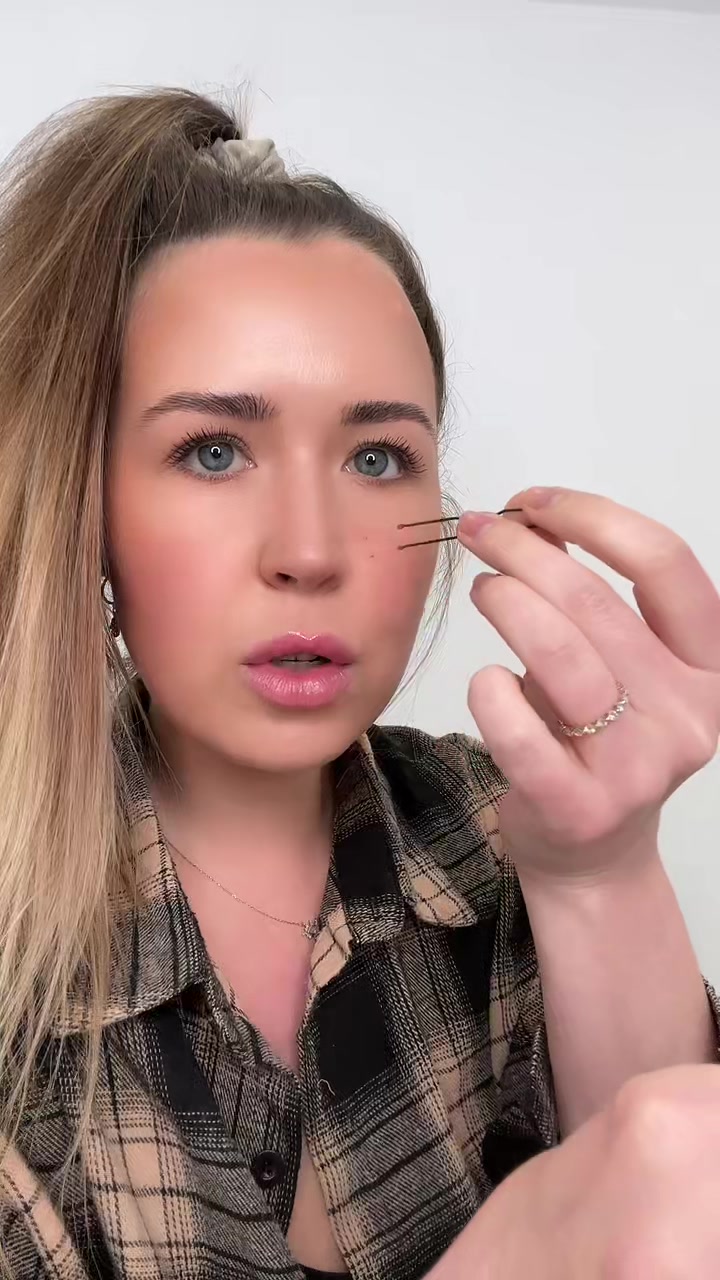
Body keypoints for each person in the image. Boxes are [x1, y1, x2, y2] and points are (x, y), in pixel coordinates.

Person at [0, 86, 719, 1280]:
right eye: (214, 450)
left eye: (378, 455)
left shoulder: (497, 833)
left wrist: (602, 870)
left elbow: (679, 1215)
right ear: (84, 506)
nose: (311, 551)